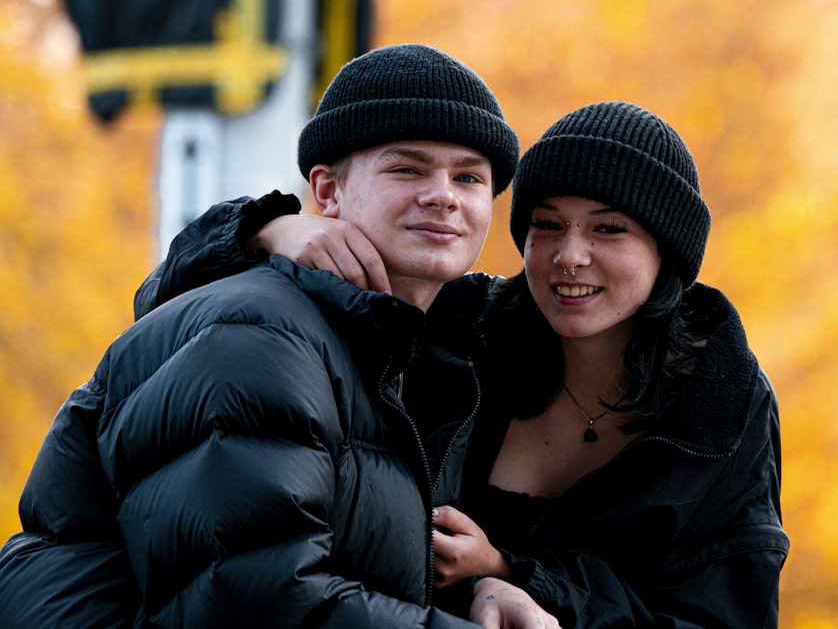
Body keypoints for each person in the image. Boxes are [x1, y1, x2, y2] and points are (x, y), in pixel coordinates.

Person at [118, 101, 791, 627]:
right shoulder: (466, 325)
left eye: (608, 229)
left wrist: (513, 570)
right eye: (547, 225)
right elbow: (166, 303)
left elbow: (718, 615)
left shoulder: (721, 405)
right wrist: (269, 230)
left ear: (668, 251)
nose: (570, 255)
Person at [0, 43, 562, 629]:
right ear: (326, 192)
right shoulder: (262, 334)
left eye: (468, 177)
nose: (444, 194)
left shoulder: (413, 355)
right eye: (407, 168)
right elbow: (254, 600)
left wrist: (487, 586)